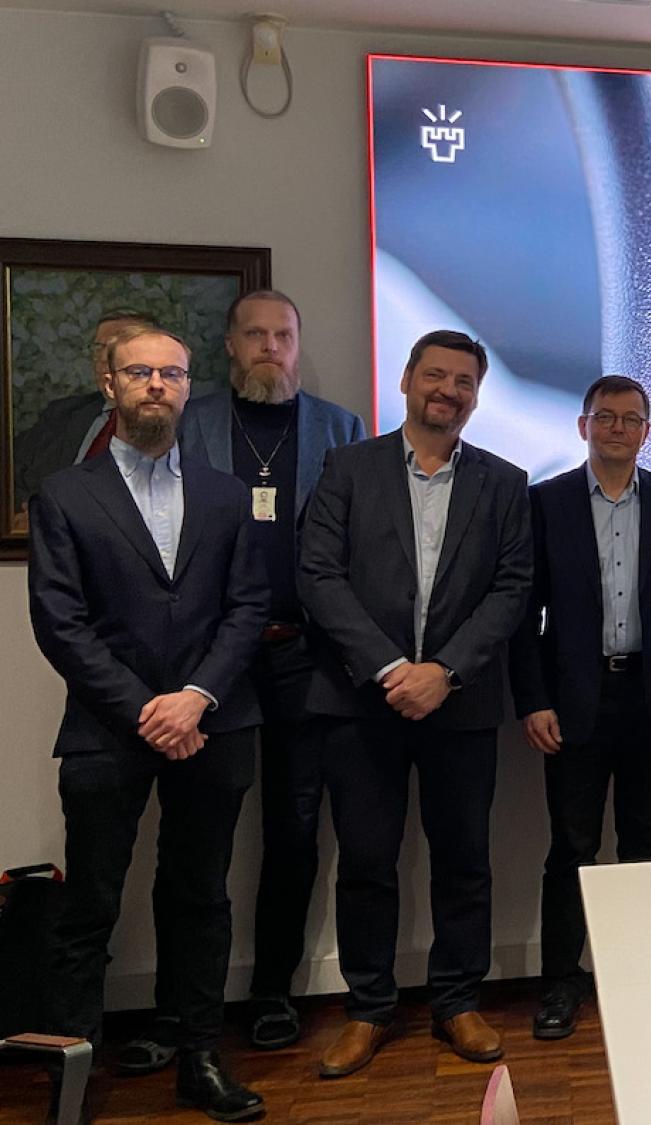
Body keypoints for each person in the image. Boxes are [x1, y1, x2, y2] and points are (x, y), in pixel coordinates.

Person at [27, 325, 269, 1121]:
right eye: (140, 371)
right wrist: (146, 708)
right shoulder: (64, 494)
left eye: (171, 372)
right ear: (109, 382)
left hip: (215, 726)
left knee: (200, 895)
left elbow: (248, 607)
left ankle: (199, 1058)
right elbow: (61, 623)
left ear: (187, 384)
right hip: (106, 731)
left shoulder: (228, 494)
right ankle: (71, 1082)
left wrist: (195, 696)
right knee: (90, 902)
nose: (156, 384)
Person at [298, 330, 532, 1077]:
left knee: (464, 860)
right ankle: (368, 1009)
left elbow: (512, 589)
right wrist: (393, 667)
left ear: (475, 394)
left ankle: (458, 1000)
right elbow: (318, 576)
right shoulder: (347, 467)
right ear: (405, 380)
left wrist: (446, 672)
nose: (449, 391)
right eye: (436, 376)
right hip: (362, 702)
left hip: (460, 705)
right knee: (367, 861)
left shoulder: (505, 481)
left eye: (464, 382)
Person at [172, 289, 366, 1052]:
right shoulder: (192, 425)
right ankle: (183, 1004)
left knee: (293, 825)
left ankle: (272, 990)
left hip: (304, 656)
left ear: (298, 340)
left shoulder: (339, 428)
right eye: (254, 334)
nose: (270, 347)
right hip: (213, 657)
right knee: (202, 829)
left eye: (283, 334)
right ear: (229, 344)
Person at [508, 374, 651, 1041]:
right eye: (606, 417)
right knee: (572, 845)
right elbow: (522, 612)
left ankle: (644, 971)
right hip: (573, 700)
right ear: (583, 425)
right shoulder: (546, 502)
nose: (618, 429)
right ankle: (562, 981)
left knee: (647, 841)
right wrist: (532, 699)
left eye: (631, 419)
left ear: (648, 431)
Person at [13, 308, 155, 508]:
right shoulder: (62, 414)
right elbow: (12, 471)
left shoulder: (173, 425)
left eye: (119, 347)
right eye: (99, 347)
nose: (105, 358)